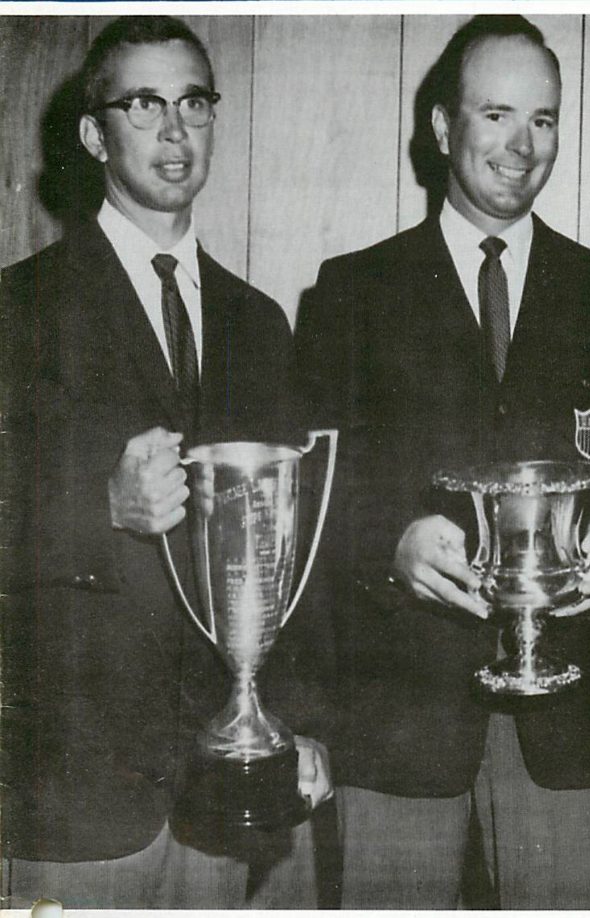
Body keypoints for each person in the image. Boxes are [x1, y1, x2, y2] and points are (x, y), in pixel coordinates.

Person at [296, 14, 590, 908]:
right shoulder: (352, 292)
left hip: (569, 719)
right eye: (496, 115)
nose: (521, 146)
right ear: (441, 126)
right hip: (401, 713)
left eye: (543, 119)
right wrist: (390, 545)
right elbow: (308, 499)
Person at [1, 16, 331, 909]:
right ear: (92, 134)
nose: (175, 130)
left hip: (228, 785)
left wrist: (296, 721)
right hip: (76, 791)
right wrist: (100, 506)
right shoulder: (20, 308)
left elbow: (290, 546)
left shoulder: (259, 322)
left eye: (194, 103)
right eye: (144, 105)